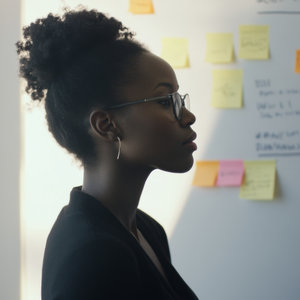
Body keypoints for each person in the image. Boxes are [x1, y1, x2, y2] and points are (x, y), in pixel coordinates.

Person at [16, 8, 198, 300]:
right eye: (166, 101)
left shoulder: (147, 230)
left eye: (179, 99)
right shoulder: (93, 253)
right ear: (106, 125)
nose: (187, 116)